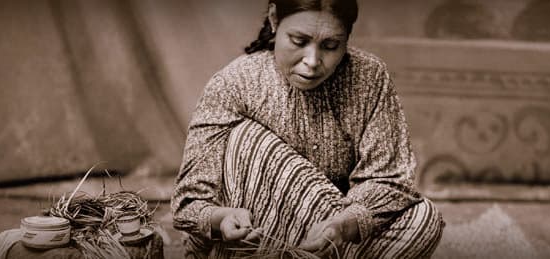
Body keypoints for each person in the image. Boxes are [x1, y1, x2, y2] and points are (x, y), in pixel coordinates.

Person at [171, 0, 445, 258]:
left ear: (347, 38)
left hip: (329, 236)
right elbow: (189, 202)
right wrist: (223, 219)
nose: (313, 61)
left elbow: (390, 179)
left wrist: (342, 225)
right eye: (299, 41)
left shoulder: (369, 77)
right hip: (258, 238)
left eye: (330, 45)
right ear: (275, 19)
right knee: (245, 138)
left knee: (424, 219)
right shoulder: (235, 84)